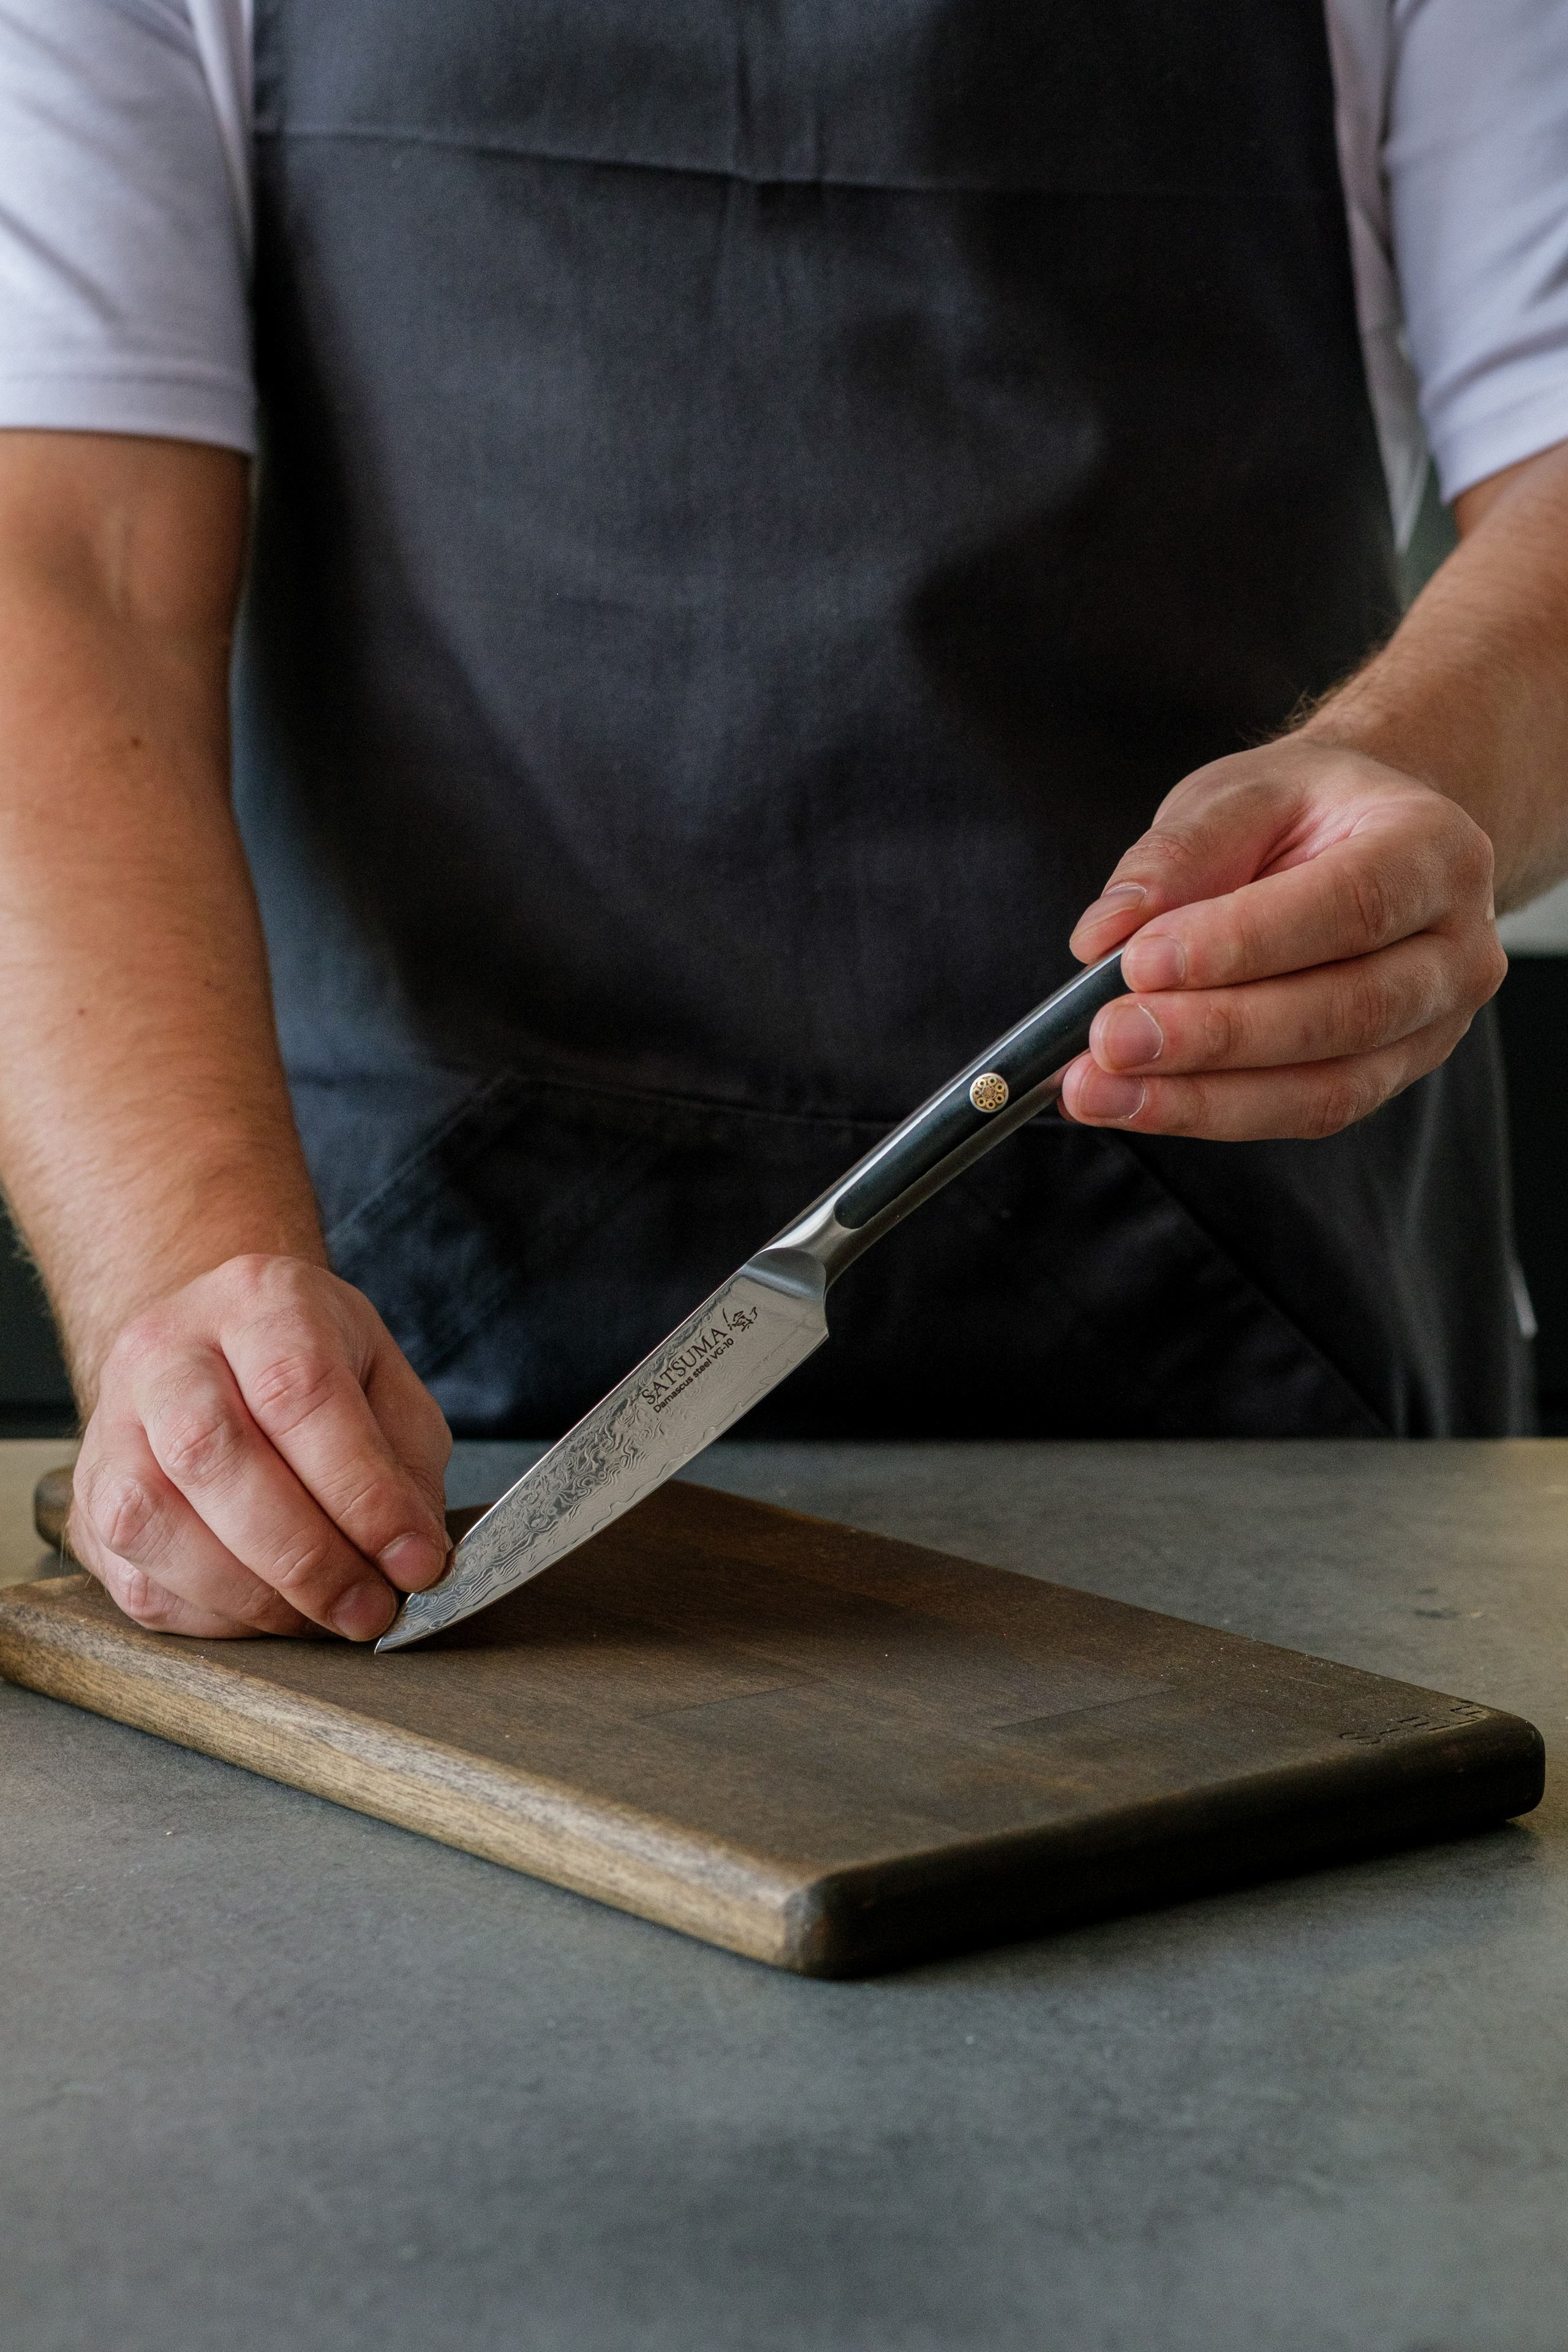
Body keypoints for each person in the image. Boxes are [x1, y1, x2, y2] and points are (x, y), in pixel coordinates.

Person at [1, 0, 1566, 1642]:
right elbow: (67, 570)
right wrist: (184, 1275)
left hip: (1266, 1353)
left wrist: (1415, 770)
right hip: (418, 1387)